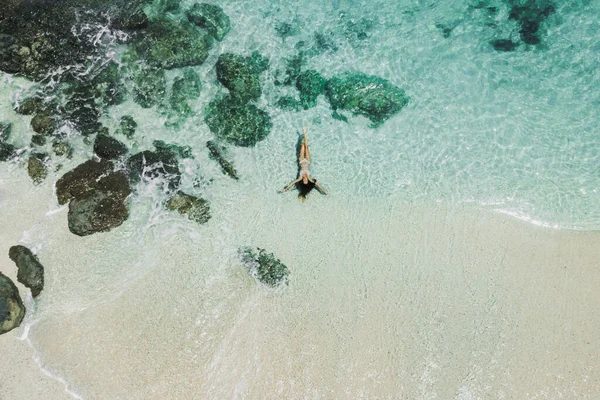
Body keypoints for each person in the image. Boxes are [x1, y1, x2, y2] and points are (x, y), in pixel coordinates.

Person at [280, 127, 328, 199]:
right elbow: (318, 185)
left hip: (301, 161)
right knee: (306, 147)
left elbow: (292, 183)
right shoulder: (309, 178)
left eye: (304, 180)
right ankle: (305, 133)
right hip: (308, 161)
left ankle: (302, 136)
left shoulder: (300, 178)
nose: (305, 179)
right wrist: (324, 191)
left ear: (302, 181)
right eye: (306, 180)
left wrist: (286, 189)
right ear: (308, 181)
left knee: (302, 146)